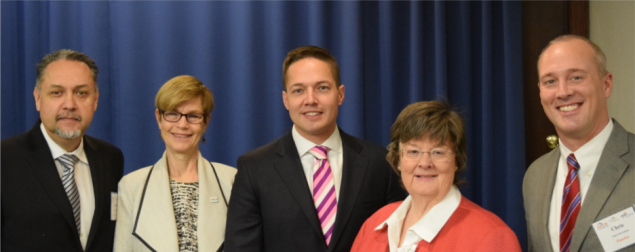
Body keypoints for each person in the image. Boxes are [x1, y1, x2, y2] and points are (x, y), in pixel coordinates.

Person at [224, 45, 406, 252]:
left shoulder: (379, 162)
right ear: (286, 100)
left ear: (340, 94)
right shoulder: (254, 168)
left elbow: (396, 241)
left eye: (322, 88)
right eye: (298, 90)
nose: (310, 100)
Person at [350, 101, 521, 252]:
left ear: (456, 160)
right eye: (413, 151)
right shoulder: (375, 223)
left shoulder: (492, 236)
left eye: (438, 152)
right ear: (398, 160)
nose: (424, 163)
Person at [1, 49, 124, 251]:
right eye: (57, 93)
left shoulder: (111, 158)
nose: (70, 104)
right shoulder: (5, 160)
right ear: (38, 98)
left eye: (81, 93)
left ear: (95, 99)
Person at [524, 35, 634, 252]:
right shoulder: (534, 177)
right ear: (540, 92)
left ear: (606, 84)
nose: (563, 92)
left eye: (576, 77)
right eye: (550, 81)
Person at [114, 75, 236, 251]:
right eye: (172, 114)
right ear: (159, 118)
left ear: (206, 122)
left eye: (193, 116)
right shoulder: (131, 187)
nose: (182, 124)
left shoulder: (232, 181)